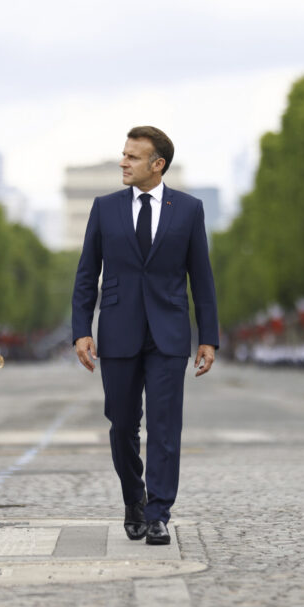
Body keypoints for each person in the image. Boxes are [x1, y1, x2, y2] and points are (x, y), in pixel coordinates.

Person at [72, 126, 219, 547]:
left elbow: (201, 277)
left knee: (165, 426)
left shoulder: (188, 209)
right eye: (123, 154)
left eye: (132, 157)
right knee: (121, 425)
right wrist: (81, 330)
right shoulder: (104, 208)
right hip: (118, 330)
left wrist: (208, 337)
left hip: (169, 333)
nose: (123, 162)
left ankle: (158, 513)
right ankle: (133, 498)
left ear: (158, 165)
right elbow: (87, 274)